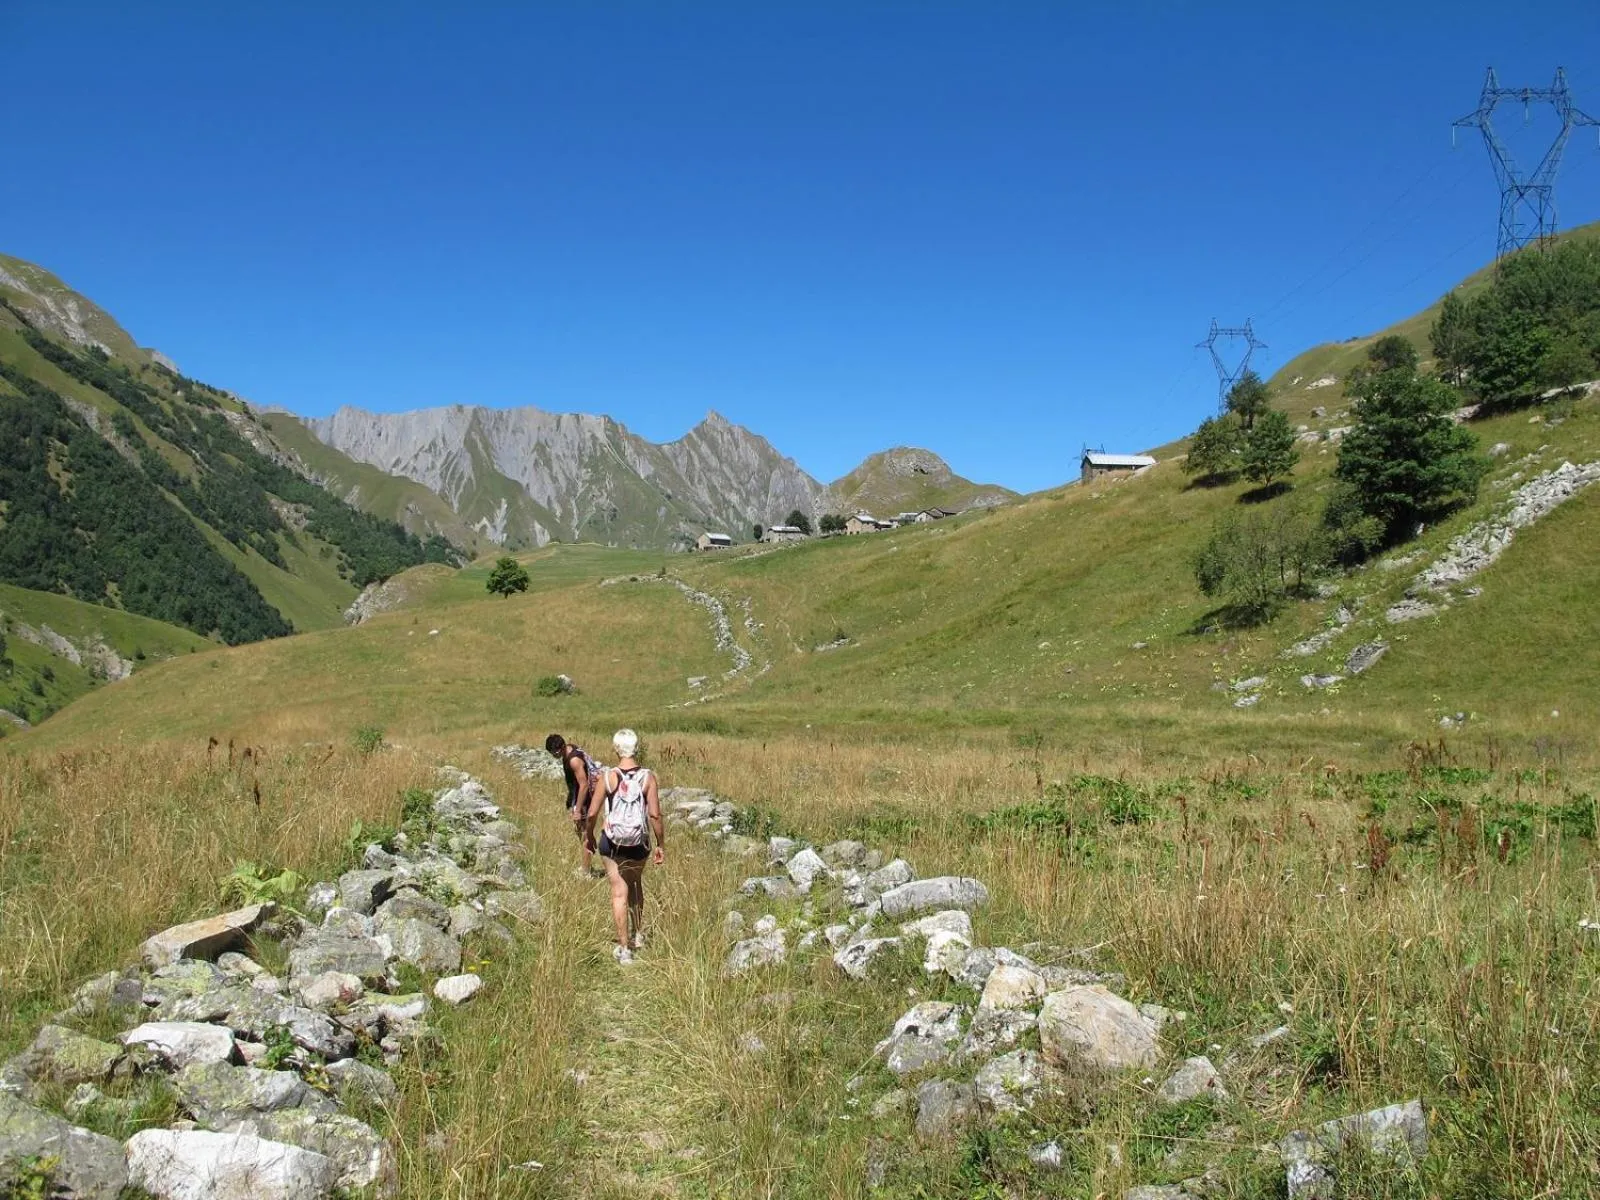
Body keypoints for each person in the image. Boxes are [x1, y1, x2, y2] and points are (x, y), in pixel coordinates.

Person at [584, 728, 665, 964]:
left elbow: (592, 812)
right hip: (639, 843)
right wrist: (660, 844)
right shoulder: (648, 778)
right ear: (636, 748)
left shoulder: (607, 777)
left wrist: (589, 837)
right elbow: (655, 816)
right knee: (636, 883)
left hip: (612, 843)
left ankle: (624, 949)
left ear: (616, 749)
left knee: (619, 892)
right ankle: (638, 934)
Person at [546, 732, 603, 877]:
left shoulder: (574, 760)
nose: (554, 756)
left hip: (586, 798)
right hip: (578, 797)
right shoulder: (569, 750)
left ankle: (585, 871)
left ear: (561, 748)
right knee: (580, 830)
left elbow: (583, 785)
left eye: (555, 753)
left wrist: (577, 810)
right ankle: (588, 859)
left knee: (585, 834)